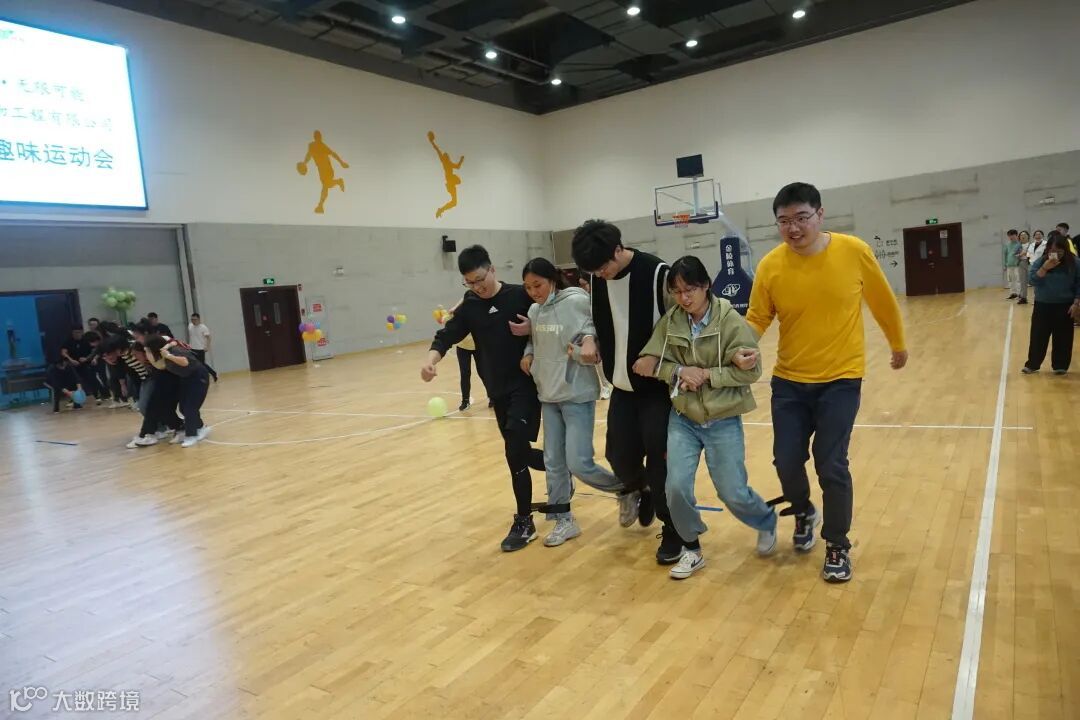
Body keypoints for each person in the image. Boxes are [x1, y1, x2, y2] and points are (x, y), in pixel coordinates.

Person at [746, 182, 907, 583]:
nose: (793, 228)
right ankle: (803, 511)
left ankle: (837, 544)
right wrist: (741, 347)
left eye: (802, 217)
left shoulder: (854, 251)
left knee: (831, 463)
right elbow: (758, 316)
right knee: (786, 460)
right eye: (784, 221)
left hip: (841, 379)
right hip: (789, 382)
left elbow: (882, 300)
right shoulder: (770, 265)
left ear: (820, 214)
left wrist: (898, 342)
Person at [635, 256, 776, 579]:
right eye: (677, 291)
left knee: (732, 491)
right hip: (683, 417)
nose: (684, 298)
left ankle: (765, 520)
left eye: (690, 290)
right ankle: (692, 549)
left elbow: (752, 371)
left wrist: (708, 374)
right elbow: (647, 363)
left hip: (722, 419)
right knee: (675, 488)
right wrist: (680, 371)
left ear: (706, 285)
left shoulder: (729, 320)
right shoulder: (671, 322)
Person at [569, 219, 685, 566]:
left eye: (602, 267)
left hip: (657, 390)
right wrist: (589, 338)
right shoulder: (597, 278)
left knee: (661, 462)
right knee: (618, 457)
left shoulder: (658, 273)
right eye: (592, 271)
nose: (599, 275)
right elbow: (595, 319)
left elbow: (683, 323)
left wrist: (658, 355)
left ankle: (673, 529)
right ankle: (640, 488)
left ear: (618, 249)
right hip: (621, 387)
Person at [421, 245, 546, 552]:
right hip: (497, 390)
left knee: (514, 449)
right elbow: (446, 336)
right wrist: (430, 361)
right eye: (470, 283)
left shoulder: (520, 294)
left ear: (492, 269)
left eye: (480, 279)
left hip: (526, 386)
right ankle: (560, 465)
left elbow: (553, 320)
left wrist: (534, 327)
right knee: (518, 452)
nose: (477, 287)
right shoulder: (471, 305)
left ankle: (524, 521)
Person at [519, 258, 635, 547]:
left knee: (579, 462)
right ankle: (564, 520)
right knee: (553, 462)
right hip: (548, 395)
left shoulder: (577, 301)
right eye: (528, 287)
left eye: (538, 285)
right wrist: (529, 353)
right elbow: (535, 339)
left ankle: (626, 488)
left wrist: (588, 344)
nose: (533, 292)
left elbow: (593, 330)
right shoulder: (534, 311)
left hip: (576, 393)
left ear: (552, 279)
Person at [1021, 234, 1080, 375]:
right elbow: (1032, 280)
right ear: (1047, 250)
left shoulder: (1075, 263)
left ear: (1065, 250)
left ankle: (1060, 365)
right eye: (1052, 251)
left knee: (1063, 337)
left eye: (1059, 251)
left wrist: (1077, 302)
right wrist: (1044, 268)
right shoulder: (1041, 261)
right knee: (1038, 335)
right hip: (1043, 304)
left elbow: (1079, 283)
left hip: (1065, 305)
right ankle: (1033, 364)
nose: (1056, 254)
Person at [145, 335, 212, 447]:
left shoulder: (174, 351)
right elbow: (160, 366)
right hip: (186, 378)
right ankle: (200, 427)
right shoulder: (162, 354)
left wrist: (169, 356)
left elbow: (185, 362)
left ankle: (191, 435)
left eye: (148, 349)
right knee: (183, 407)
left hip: (198, 376)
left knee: (190, 407)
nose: (146, 352)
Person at [577, 273, 613, 400]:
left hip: (603, 333)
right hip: (591, 333)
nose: (583, 288)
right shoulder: (581, 299)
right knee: (597, 361)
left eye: (584, 284)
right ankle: (605, 387)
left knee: (602, 361)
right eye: (580, 285)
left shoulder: (601, 296)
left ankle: (607, 385)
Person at [298, 130, 349, 214]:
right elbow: (309, 155)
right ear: (315, 137)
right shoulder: (312, 146)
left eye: (320, 137)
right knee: (327, 185)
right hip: (321, 170)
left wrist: (341, 163)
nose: (319, 139)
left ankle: (320, 205)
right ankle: (338, 182)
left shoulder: (322, 146)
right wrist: (304, 163)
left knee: (325, 186)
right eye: (318, 137)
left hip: (328, 168)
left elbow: (333, 154)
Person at [428, 131, 464, 219]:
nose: (447, 156)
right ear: (445, 157)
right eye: (446, 156)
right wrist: (432, 142)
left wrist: (461, 160)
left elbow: (458, 167)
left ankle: (441, 210)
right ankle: (441, 210)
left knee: (454, 202)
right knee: (454, 202)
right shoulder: (445, 162)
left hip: (450, 183)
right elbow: (437, 150)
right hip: (450, 182)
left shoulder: (449, 163)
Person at [187, 313, 219, 382]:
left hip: (200, 349)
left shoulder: (203, 327)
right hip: (192, 348)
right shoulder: (190, 326)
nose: (193, 321)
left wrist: (207, 346)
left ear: (199, 319)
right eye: (192, 319)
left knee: (202, 364)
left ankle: (213, 374)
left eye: (195, 319)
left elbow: (209, 338)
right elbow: (191, 336)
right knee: (194, 364)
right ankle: (198, 378)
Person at [1004, 229, 1022, 299]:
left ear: (1016, 235)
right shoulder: (1007, 244)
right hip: (1009, 265)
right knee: (1010, 280)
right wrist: (1005, 264)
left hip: (1018, 265)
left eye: (1012, 235)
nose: (1010, 237)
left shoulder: (1020, 244)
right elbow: (1005, 254)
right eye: (1009, 236)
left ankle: (1019, 294)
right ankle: (1013, 293)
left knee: (1018, 280)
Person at [1017, 230, 1032, 305]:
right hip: (1021, 263)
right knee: (1022, 281)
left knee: (1033, 280)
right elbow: (1014, 254)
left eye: (1024, 235)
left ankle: (1037, 298)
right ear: (1019, 237)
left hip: (1030, 263)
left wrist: (1026, 253)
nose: (1023, 236)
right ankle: (1023, 297)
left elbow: (1034, 253)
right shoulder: (1018, 246)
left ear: (1028, 236)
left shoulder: (1032, 245)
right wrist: (1019, 255)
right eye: (1021, 235)